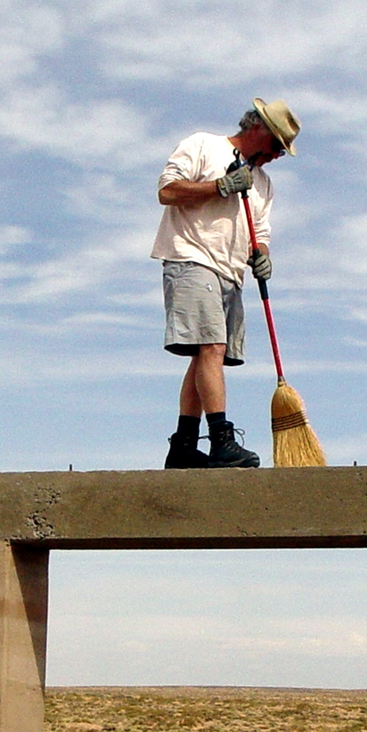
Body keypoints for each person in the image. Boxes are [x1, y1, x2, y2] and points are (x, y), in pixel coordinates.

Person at [151, 99, 300, 468]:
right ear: (258, 129)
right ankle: (221, 440)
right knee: (212, 348)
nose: (278, 155)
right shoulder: (203, 145)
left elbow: (260, 232)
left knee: (206, 354)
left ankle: (184, 446)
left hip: (230, 273)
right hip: (191, 258)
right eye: (277, 145)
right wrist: (220, 186)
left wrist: (261, 254)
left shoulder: (263, 184)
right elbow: (167, 192)